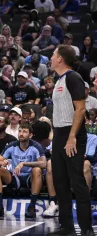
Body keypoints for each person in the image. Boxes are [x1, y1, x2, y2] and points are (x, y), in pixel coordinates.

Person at [48, 45, 93, 236]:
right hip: (59, 134)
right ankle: (66, 226)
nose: (50, 57)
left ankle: (86, 229)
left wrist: (72, 137)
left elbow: (81, 109)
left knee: (77, 181)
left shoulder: (73, 77)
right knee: (60, 181)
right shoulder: (59, 80)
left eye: (53, 54)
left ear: (60, 59)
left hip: (72, 133)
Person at [0, 123, 46, 218]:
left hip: (30, 178)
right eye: (20, 131)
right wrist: (2, 163)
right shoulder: (12, 145)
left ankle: (31, 206)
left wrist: (24, 163)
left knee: (37, 170)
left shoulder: (36, 146)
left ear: (30, 135)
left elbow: (44, 164)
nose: (21, 134)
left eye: (24, 132)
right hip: (15, 177)